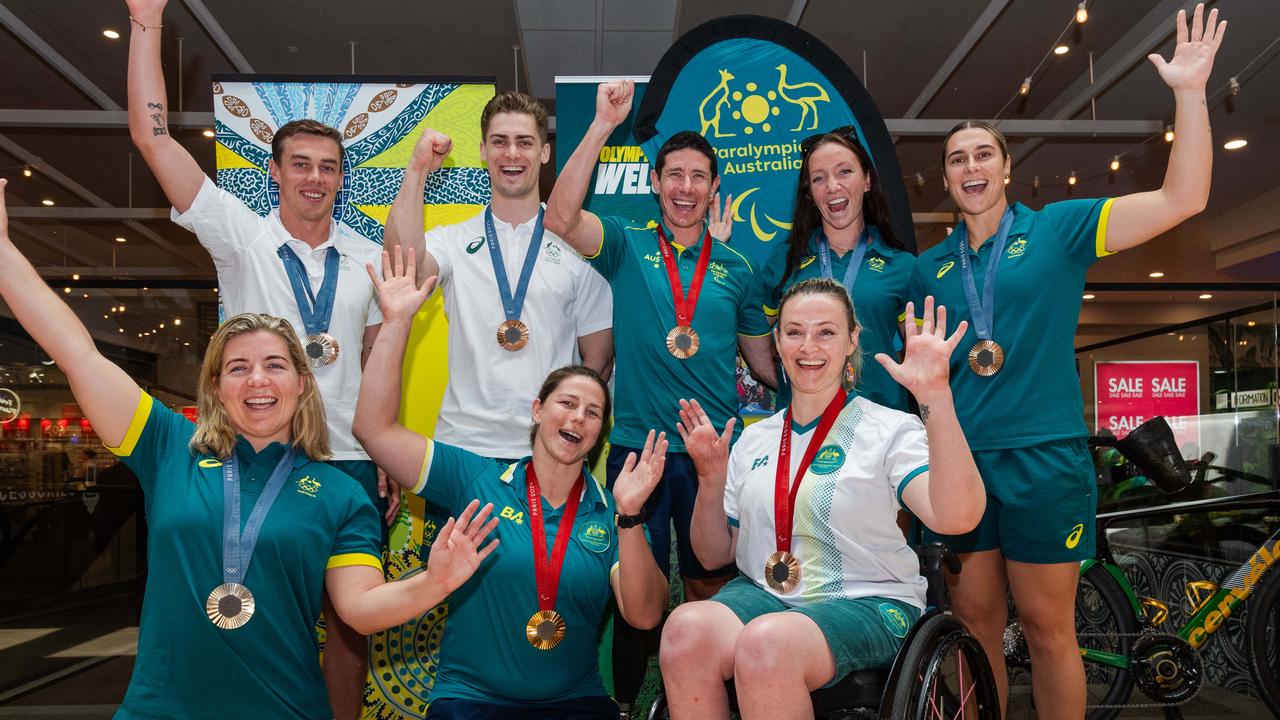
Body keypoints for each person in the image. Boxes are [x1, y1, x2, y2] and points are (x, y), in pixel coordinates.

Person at [0, 179, 496, 720]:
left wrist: (436, 581)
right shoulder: (169, 448)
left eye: (275, 365)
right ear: (216, 386)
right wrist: (2, 253)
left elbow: (360, 609)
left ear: (302, 384)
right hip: (161, 710)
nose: (257, 380)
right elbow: (76, 354)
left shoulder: (338, 493)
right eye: (238, 367)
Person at [909, 6, 1226, 718]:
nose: (970, 167)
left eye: (983, 153)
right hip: (959, 467)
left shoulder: (1060, 230)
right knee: (975, 631)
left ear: (1007, 166)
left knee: (1052, 631)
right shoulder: (928, 270)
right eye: (956, 158)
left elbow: (1185, 198)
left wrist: (1190, 93)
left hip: (1045, 459)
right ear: (946, 179)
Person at [124, 1, 390, 713]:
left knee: (348, 627)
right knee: (244, 607)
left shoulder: (366, 259)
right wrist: (146, 24)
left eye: (328, 168)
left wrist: (383, 452)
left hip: (345, 462)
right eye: (299, 164)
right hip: (253, 457)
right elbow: (156, 145)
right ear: (274, 171)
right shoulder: (238, 235)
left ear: (343, 178)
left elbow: (370, 360)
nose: (314, 178)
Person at [352, 247, 670, 719]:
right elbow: (374, 430)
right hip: (470, 702)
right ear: (538, 411)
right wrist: (397, 320)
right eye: (566, 403)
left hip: (574, 704)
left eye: (593, 412)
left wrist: (630, 517)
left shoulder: (613, 510)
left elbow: (644, 615)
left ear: (599, 433)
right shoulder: (476, 477)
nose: (578, 417)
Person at [545, 79, 777, 714]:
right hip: (637, 451)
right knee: (636, 601)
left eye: (699, 176)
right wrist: (599, 126)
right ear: (656, 182)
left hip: (711, 460)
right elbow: (560, 218)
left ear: (712, 188)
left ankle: (707, 706)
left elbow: (767, 363)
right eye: (674, 174)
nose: (685, 187)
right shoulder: (625, 244)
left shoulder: (738, 267)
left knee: (710, 590)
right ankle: (623, 706)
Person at [658, 279, 985, 718]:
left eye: (826, 332)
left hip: (868, 599)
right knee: (684, 631)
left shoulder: (889, 429)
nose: (808, 346)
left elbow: (958, 516)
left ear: (852, 340)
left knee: (767, 643)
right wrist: (711, 478)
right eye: (793, 332)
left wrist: (936, 398)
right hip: (766, 596)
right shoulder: (754, 442)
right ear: (776, 342)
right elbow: (714, 555)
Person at [384, 91, 613, 462]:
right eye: (499, 142)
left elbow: (599, 357)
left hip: (546, 454)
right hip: (462, 448)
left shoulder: (577, 248)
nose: (511, 154)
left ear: (544, 153)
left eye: (525, 142)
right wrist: (417, 169)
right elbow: (403, 271)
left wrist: (565, 435)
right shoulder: (453, 240)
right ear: (482, 151)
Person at [761, 128, 915, 412]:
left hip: (881, 428)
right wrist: (789, 383)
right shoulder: (785, 262)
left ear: (867, 180)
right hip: (803, 427)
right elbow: (755, 339)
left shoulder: (903, 267)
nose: (832, 186)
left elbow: (919, 354)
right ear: (809, 193)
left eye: (844, 172)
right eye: (819, 178)